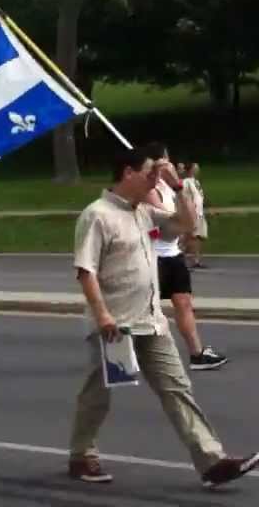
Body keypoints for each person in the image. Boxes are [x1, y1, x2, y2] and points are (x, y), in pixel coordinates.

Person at [67, 146, 256, 488]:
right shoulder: (97, 215)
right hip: (116, 327)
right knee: (99, 395)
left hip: (152, 322)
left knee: (178, 389)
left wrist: (180, 185)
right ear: (128, 173)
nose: (156, 180)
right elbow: (86, 271)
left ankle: (212, 461)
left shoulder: (144, 213)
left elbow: (186, 224)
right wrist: (103, 316)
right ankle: (82, 454)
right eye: (150, 173)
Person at [145, 144, 226, 370]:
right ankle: (124, 355)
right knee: (143, 309)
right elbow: (170, 224)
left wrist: (178, 186)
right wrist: (182, 225)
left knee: (184, 303)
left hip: (172, 254)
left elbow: (189, 222)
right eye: (165, 159)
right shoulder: (149, 189)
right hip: (152, 256)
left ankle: (197, 354)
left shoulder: (171, 187)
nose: (170, 164)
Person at [182, 163, 208, 270]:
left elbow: (200, 197)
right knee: (189, 237)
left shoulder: (196, 182)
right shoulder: (186, 182)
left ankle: (196, 260)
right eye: (195, 168)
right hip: (192, 213)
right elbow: (184, 198)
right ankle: (179, 259)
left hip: (199, 212)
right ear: (190, 170)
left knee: (198, 237)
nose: (197, 170)